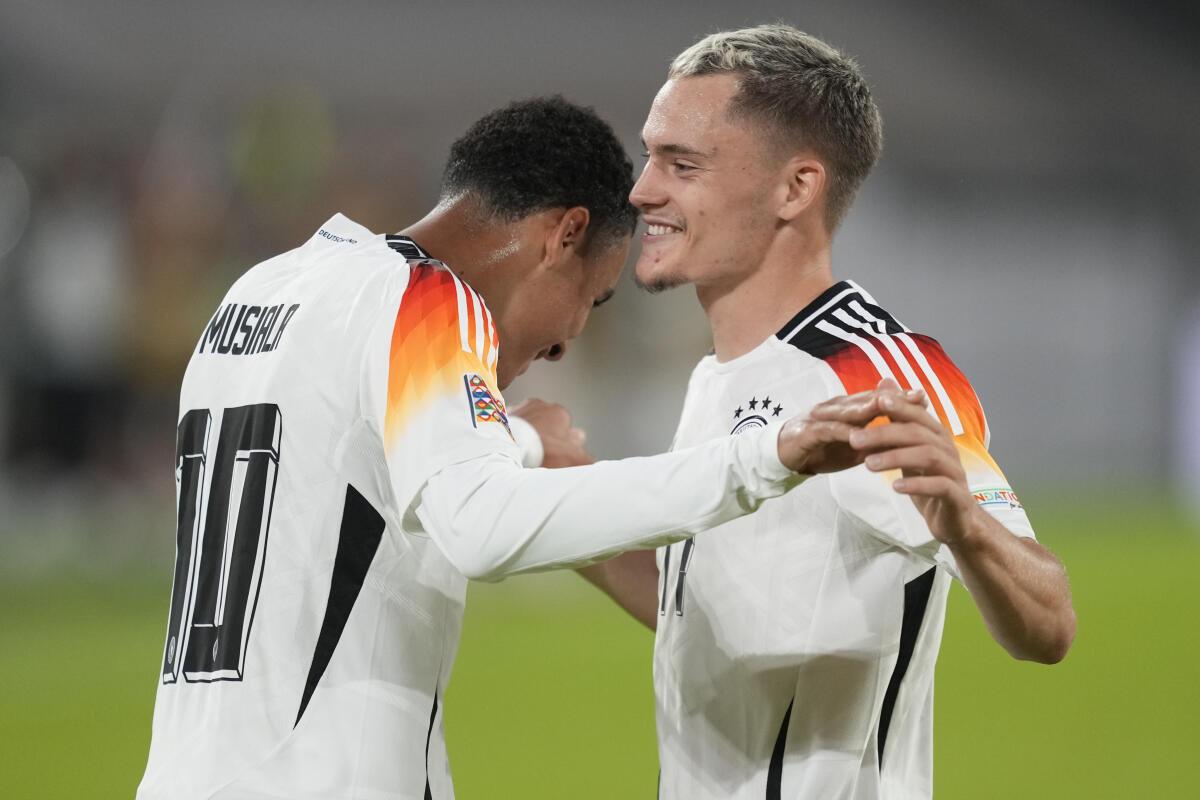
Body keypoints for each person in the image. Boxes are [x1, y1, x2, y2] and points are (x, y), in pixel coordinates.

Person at [136, 96, 922, 800]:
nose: (569, 339)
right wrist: (763, 458)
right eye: (593, 294)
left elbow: (345, 463)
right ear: (565, 234)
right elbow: (479, 524)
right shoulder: (427, 298)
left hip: (185, 771)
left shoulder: (264, 290)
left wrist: (516, 439)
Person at [578, 25, 1077, 798]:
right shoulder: (721, 374)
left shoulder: (879, 373)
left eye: (683, 164)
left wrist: (968, 527)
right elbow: (712, 620)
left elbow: (1049, 621)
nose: (643, 189)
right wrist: (565, 495)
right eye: (651, 156)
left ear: (795, 188)